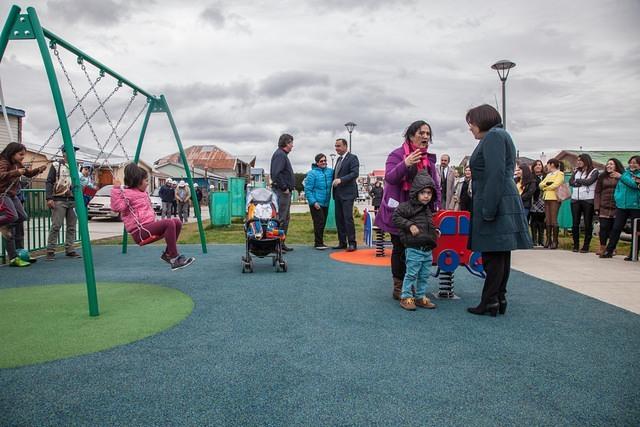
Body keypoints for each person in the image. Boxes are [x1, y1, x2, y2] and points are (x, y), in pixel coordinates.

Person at [466, 104, 531, 316]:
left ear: (481, 121)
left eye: (471, 123)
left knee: (492, 255)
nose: (470, 128)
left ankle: (490, 300)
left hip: (496, 200)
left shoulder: (493, 137)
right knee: (501, 254)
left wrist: (488, 208)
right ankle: (498, 298)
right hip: (504, 199)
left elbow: (494, 174)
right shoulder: (501, 135)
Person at [374, 120, 441, 300]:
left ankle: (412, 286)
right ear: (411, 135)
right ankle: (399, 287)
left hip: (420, 213)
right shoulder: (396, 155)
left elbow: (435, 187)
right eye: (422, 133)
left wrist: (437, 206)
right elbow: (390, 178)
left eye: (428, 134)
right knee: (399, 247)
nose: (425, 137)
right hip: (399, 210)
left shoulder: (429, 161)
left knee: (416, 249)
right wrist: (405, 163)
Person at [110, 163, 195, 271]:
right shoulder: (126, 194)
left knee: (177, 222)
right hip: (140, 231)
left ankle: (168, 254)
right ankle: (174, 258)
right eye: (146, 181)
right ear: (138, 181)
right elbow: (116, 207)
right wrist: (116, 189)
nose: (147, 184)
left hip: (149, 227)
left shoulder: (143, 193)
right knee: (169, 223)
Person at [392, 171, 439, 311]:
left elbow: (428, 224)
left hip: (427, 249)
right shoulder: (407, 207)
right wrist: (410, 225)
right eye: (423, 192)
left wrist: (435, 232)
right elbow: (396, 217)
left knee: (424, 275)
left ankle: (419, 296)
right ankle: (406, 297)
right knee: (411, 274)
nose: (426, 196)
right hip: (414, 248)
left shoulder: (427, 209)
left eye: (429, 193)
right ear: (416, 193)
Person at [0, 142, 47, 266]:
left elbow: (28, 173)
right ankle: (13, 256)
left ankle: (8, 230)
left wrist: (39, 169)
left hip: (12, 194)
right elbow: (1, 175)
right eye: (21, 154)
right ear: (12, 152)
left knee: (22, 217)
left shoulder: (16, 163)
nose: (22, 157)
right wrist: (16, 172)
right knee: (12, 217)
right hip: (2, 194)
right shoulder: (3, 162)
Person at [45, 145, 82, 261]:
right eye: (70, 152)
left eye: (74, 152)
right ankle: (50, 250)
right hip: (59, 199)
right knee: (56, 225)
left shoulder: (76, 166)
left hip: (72, 200)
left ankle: (70, 249)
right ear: (64, 153)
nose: (73, 154)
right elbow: (49, 182)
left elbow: (76, 182)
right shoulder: (56, 165)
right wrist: (49, 198)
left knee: (72, 226)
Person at [600, 155, 640, 260]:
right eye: (630, 162)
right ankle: (609, 250)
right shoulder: (626, 173)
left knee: (635, 231)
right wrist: (617, 197)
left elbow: (635, 185)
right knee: (616, 228)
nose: (632, 164)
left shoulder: (626, 175)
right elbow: (619, 187)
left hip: (636, 206)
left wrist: (621, 176)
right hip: (622, 205)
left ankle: (633, 253)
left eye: (635, 162)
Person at [332, 138, 360, 252]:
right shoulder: (338, 159)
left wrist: (341, 180)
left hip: (348, 194)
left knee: (348, 218)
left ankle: (352, 243)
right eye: (335, 146)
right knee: (339, 219)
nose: (336, 148)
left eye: (338, 146)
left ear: (345, 146)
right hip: (337, 194)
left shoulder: (352, 158)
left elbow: (355, 173)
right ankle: (342, 242)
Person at [270, 133, 295, 251]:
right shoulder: (280, 155)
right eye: (291, 143)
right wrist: (284, 187)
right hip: (281, 192)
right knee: (281, 218)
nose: (292, 146)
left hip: (283, 192)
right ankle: (276, 244)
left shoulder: (281, 155)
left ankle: (281, 242)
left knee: (285, 218)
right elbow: (276, 173)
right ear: (286, 143)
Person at [569, 154, 599, 252]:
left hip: (588, 200)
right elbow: (570, 182)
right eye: (578, 160)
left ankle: (586, 246)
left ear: (586, 161)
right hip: (575, 200)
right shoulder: (576, 171)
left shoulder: (594, 171)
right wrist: (580, 181)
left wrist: (578, 181)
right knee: (575, 223)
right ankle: (576, 245)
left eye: (580, 160)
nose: (578, 162)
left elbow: (589, 182)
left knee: (587, 223)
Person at [594, 158, 624, 256]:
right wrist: (596, 206)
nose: (609, 166)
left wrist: (620, 177)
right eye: (608, 164)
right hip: (604, 205)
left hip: (616, 206)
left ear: (616, 166)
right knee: (603, 227)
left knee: (614, 229)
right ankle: (602, 247)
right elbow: (597, 192)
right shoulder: (602, 177)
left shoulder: (622, 177)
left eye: (611, 164)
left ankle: (612, 248)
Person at [304, 153, 333, 250]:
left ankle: (320, 242)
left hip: (326, 202)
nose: (324, 162)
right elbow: (308, 190)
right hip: (316, 203)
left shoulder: (330, 172)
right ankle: (318, 243)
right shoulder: (312, 173)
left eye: (325, 160)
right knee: (318, 222)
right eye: (321, 161)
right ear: (317, 163)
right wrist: (313, 202)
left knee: (323, 222)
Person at [539, 158, 564, 249]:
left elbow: (556, 184)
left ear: (552, 164)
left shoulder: (560, 174)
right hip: (546, 197)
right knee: (548, 219)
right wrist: (547, 186)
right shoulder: (549, 175)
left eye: (548, 165)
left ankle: (555, 241)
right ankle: (548, 240)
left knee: (553, 219)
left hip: (555, 198)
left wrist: (546, 187)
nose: (547, 167)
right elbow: (541, 184)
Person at [529, 159, 546, 247]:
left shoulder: (546, 176)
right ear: (533, 167)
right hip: (534, 199)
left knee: (542, 220)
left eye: (540, 164)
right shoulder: (531, 176)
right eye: (536, 165)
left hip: (544, 199)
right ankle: (534, 240)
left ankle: (541, 239)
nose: (538, 166)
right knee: (534, 220)